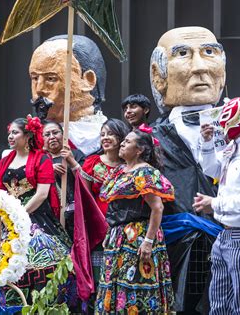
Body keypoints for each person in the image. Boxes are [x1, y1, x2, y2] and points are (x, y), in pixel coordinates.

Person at [0, 116, 77, 309]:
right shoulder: (6, 160)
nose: (10, 137)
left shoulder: (42, 158)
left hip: (35, 217)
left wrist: (19, 213)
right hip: (5, 219)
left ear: (28, 135)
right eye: (9, 133)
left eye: (15, 132)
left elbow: (41, 194)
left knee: (44, 262)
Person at [150, 27, 226, 312]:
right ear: (158, 75)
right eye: (183, 54)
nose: (200, 66)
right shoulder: (149, 139)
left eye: (209, 52)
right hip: (173, 250)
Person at [95, 129, 175, 314]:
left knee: (135, 284)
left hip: (137, 236)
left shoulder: (144, 172)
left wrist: (148, 242)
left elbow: (157, 208)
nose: (122, 143)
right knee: (114, 282)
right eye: (123, 141)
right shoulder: (119, 171)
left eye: (128, 142)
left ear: (139, 150)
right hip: (118, 237)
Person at [193, 97, 240, 315]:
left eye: (224, 118)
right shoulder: (237, 145)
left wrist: (215, 203)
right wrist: (208, 142)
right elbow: (213, 170)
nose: (221, 124)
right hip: (227, 234)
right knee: (219, 302)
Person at [29, 35, 107, 155]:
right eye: (35, 78)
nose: (39, 89)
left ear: (88, 81)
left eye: (50, 78)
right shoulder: (31, 140)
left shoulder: (106, 137)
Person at [42, 120, 85, 237]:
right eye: (47, 134)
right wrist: (48, 170)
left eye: (55, 133)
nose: (52, 137)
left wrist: (71, 161)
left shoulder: (76, 154)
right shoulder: (41, 159)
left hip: (76, 214)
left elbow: (86, 182)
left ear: (63, 134)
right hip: (51, 216)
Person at [81, 118, 130, 215]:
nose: (105, 138)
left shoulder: (130, 164)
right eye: (102, 135)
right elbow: (86, 197)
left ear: (121, 137)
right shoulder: (92, 163)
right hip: (98, 220)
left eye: (110, 134)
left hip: (125, 221)